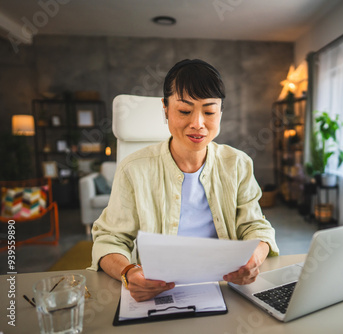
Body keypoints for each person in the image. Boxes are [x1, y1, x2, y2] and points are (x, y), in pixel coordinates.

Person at [89, 59, 279, 302]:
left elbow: (256, 226)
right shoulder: (133, 169)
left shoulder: (238, 164)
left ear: (220, 113)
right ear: (166, 109)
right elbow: (109, 240)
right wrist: (129, 273)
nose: (197, 124)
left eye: (209, 111)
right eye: (184, 111)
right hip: (159, 292)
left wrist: (255, 258)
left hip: (224, 289)